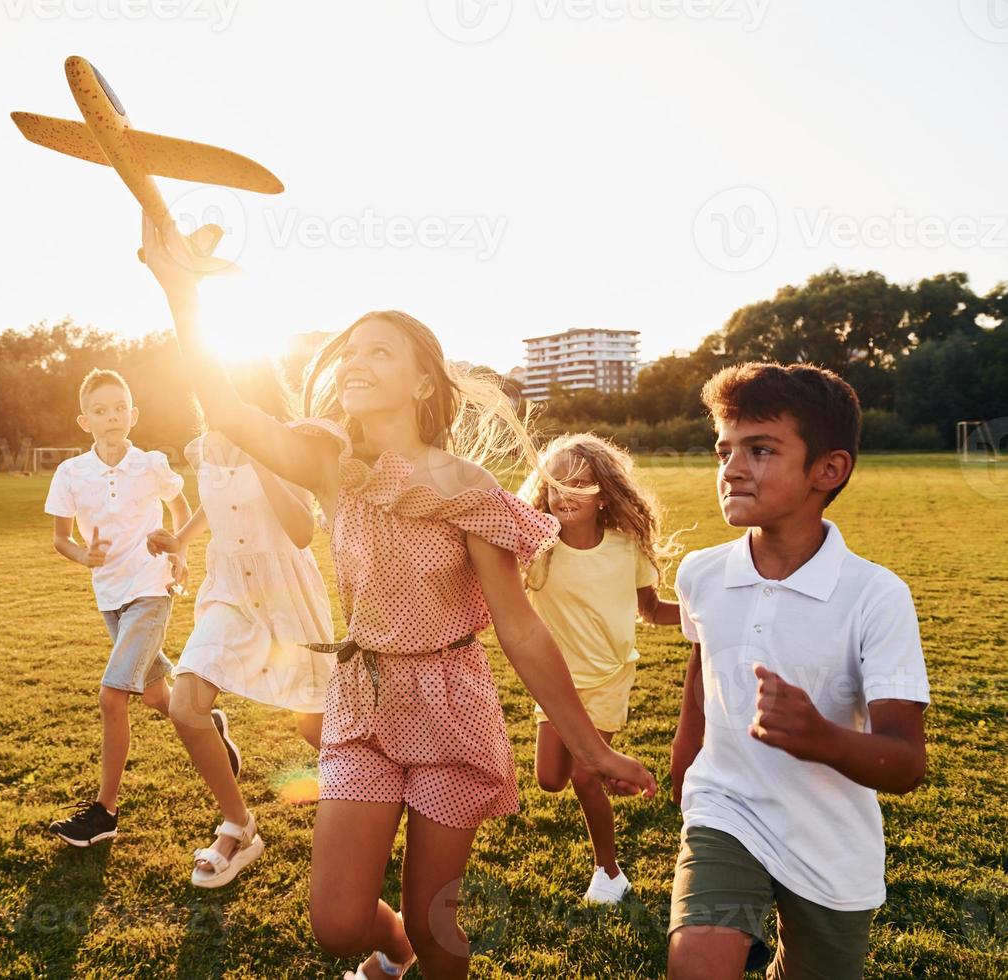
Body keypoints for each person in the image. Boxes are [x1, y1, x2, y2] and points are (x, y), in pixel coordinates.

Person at [141, 213, 654, 980]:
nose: (355, 361)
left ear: (420, 381)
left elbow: (518, 628)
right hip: (363, 698)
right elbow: (227, 409)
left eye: (379, 351)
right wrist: (179, 290)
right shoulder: (327, 460)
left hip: (451, 703)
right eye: (350, 351)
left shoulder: (467, 489)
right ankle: (397, 957)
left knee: (433, 917)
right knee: (339, 921)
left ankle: (423, 955)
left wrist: (591, 745)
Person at [667, 363, 930, 980]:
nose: (731, 469)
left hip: (830, 842)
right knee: (695, 967)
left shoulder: (875, 595)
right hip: (725, 809)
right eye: (723, 450)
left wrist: (820, 736)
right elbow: (705, 656)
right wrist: (686, 746)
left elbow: (907, 760)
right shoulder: (701, 573)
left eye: (759, 450)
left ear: (828, 470)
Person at [145, 360, 335, 888]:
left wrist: (260, 451)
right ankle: (239, 826)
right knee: (185, 706)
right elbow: (215, 501)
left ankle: (381, 798)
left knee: (315, 726)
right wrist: (181, 539)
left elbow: (300, 531)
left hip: (287, 595)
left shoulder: (287, 444)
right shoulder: (204, 447)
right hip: (230, 591)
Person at [43, 368, 208, 848]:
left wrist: (178, 551)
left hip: (151, 589)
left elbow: (180, 512)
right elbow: (60, 538)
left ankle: (104, 813)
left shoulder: (152, 464)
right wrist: (83, 556)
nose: (112, 416)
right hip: (109, 595)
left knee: (112, 697)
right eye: (101, 410)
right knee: (157, 697)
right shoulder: (70, 473)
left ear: (133, 414)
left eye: (120, 408)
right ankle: (207, 722)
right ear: (84, 420)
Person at [518, 433, 681, 904]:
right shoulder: (536, 551)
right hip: (556, 683)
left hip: (610, 675)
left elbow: (649, 610)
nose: (565, 493)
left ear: (603, 494)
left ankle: (609, 874)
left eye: (580, 483)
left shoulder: (625, 548)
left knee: (583, 777)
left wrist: (701, 616)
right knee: (550, 779)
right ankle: (616, 776)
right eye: (555, 484)